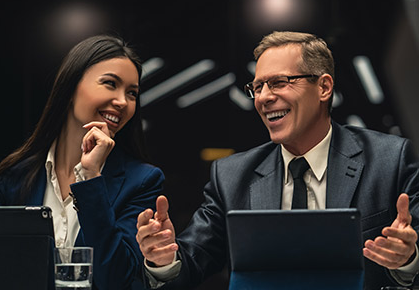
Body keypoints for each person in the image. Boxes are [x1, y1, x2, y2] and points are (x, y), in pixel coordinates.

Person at [136, 31, 419, 289]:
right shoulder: (232, 175)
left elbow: (413, 253)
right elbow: (192, 261)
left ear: (323, 87)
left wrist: (408, 259)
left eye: (279, 83)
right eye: (257, 87)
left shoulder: (390, 160)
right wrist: (163, 259)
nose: (264, 98)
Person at [0, 35, 164, 290]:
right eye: (110, 83)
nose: (122, 102)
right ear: (70, 88)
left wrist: (91, 178)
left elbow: (117, 280)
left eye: (132, 93)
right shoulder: (13, 179)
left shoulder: (143, 182)